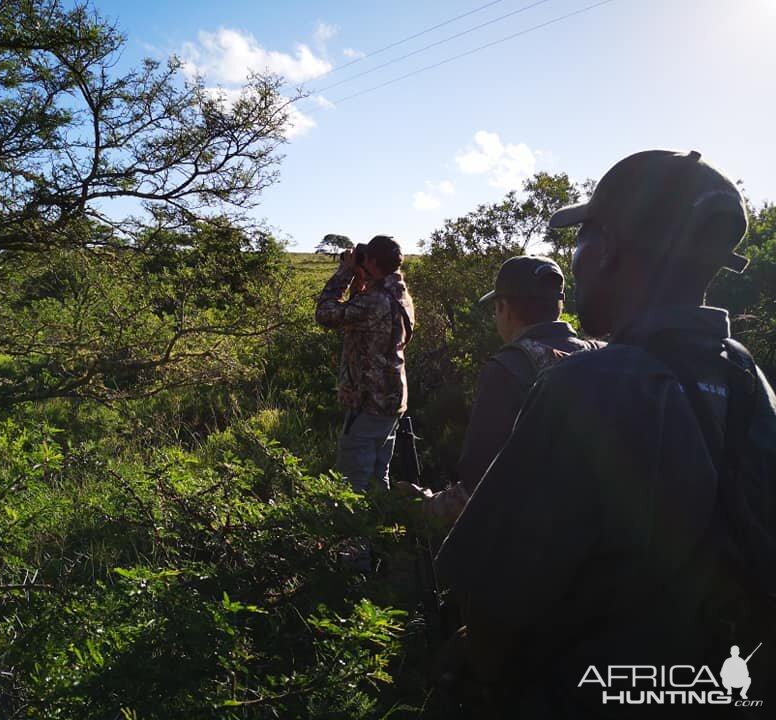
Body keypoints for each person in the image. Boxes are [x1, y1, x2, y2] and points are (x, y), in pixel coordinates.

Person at [434, 149, 776, 717]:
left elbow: (491, 601)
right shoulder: (747, 376)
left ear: (610, 249)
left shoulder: (588, 386)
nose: (577, 257)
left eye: (583, 237)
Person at [396, 256, 603, 523]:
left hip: (540, 544)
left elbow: (480, 488)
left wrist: (423, 506)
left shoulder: (508, 367)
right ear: (559, 306)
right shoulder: (603, 354)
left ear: (504, 307)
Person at [315, 235, 415, 495]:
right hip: (391, 400)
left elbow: (325, 314)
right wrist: (361, 281)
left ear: (371, 261)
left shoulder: (375, 301)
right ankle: (382, 528)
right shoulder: (400, 296)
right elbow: (362, 316)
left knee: (352, 483)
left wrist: (345, 273)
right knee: (377, 478)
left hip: (368, 401)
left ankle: (352, 533)